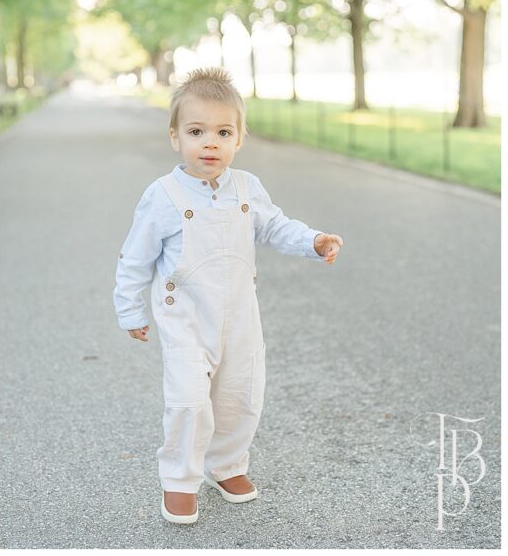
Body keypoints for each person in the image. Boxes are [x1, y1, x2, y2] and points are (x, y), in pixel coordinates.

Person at [113, 67, 343, 525]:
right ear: (175, 136)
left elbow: (275, 226)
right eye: (196, 132)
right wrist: (130, 309)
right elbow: (135, 258)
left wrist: (313, 241)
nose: (210, 143)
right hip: (186, 320)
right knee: (189, 401)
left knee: (241, 394)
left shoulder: (247, 188)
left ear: (240, 138)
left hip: (240, 315)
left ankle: (227, 465)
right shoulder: (163, 195)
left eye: (223, 132)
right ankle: (180, 479)